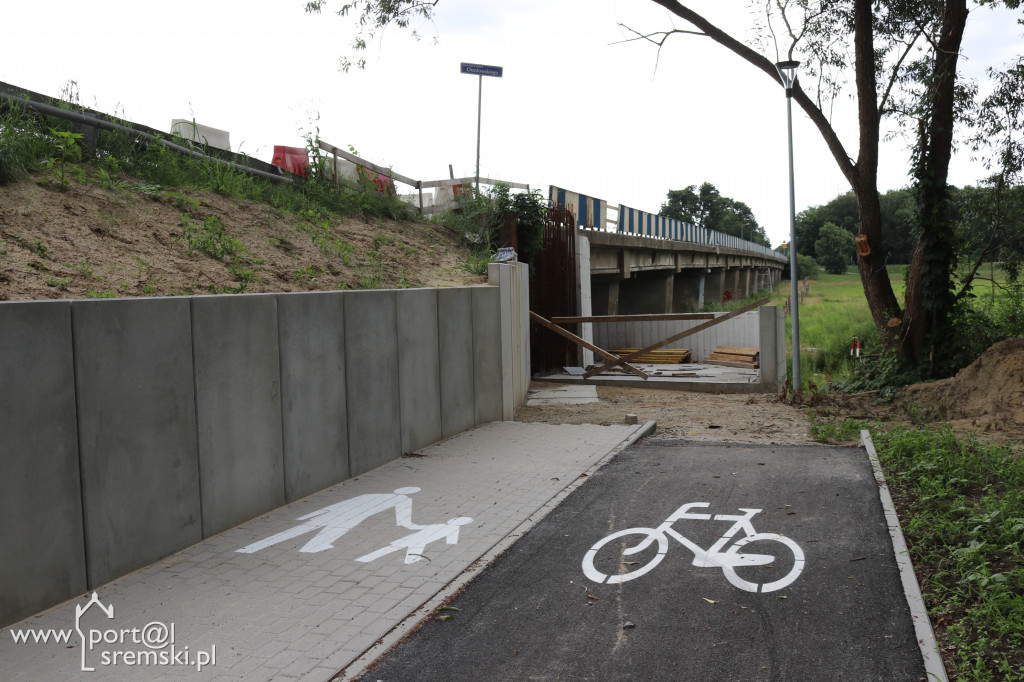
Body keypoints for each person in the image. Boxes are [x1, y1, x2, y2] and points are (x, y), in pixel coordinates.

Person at [237, 487, 421, 554]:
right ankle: (311, 547)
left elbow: (346, 502)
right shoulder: (402, 500)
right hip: (351, 515)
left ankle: (254, 546)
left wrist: (309, 515)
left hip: (342, 512)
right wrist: (412, 526)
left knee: (303, 529)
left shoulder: (372, 493)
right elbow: (403, 519)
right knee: (329, 531)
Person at [356, 517, 474, 564]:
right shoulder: (442, 525)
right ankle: (368, 557)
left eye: (458, 520)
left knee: (402, 549)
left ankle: (409, 560)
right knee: (396, 548)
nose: (453, 521)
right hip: (416, 538)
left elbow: (451, 541)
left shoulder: (453, 529)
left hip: (420, 540)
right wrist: (412, 525)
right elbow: (420, 527)